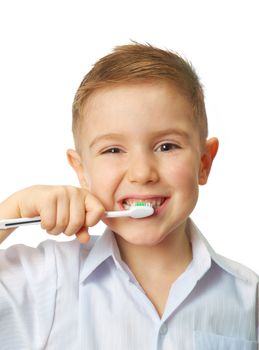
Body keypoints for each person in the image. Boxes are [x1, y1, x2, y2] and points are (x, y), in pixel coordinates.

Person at [0, 42, 258, 349]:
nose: (142, 172)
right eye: (113, 150)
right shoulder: (46, 278)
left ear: (204, 163)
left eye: (167, 146)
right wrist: (11, 211)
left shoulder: (248, 297)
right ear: (82, 172)